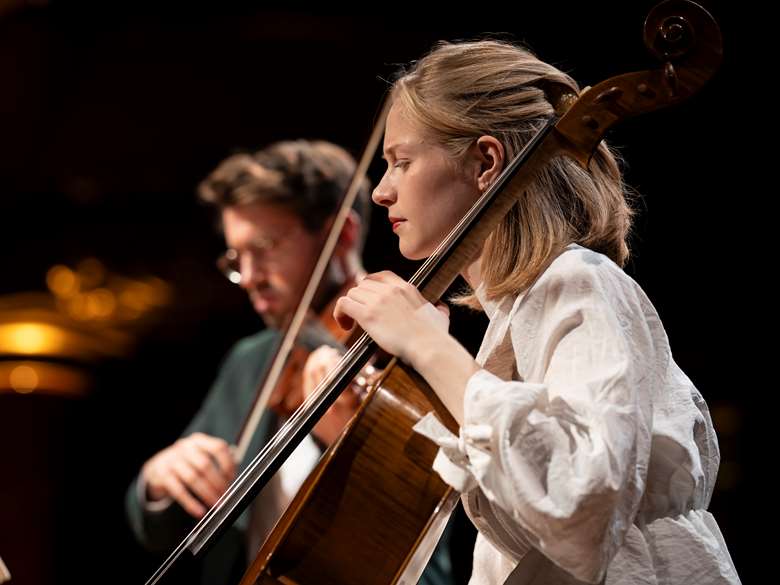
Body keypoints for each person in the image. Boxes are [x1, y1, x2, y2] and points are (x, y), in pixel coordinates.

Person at [323, 40, 741, 584]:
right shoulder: (513, 315)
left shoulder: (579, 282)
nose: (380, 191)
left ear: (486, 161)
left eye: (401, 161)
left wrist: (428, 346)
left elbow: (584, 503)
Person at [125, 140, 456, 585]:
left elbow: (429, 564)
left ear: (342, 235)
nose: (250, 277)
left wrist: (346, 446)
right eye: (235, 258)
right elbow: (156, 529)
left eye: (265, 247)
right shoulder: (252, 359)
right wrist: (160, 479)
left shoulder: (413, 351)